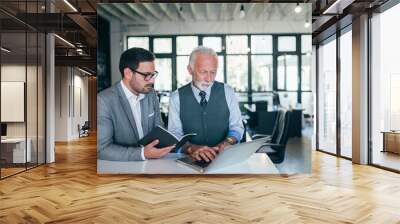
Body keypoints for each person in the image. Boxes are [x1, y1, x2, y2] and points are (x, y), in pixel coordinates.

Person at [168, 46, 244, 162]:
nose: (208, 79)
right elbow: (175, 135)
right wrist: (191, 148)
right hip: (189, 160)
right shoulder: (176, 97)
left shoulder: (228, 92)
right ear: (190, 69)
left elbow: (237, 127)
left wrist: (228, 142)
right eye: (203, 72)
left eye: (213, 72)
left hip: (223, 159)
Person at [98, 48, 175, 161]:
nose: (152, 81)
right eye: (147, 75)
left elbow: (159, 130)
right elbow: (102, 150)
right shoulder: (104, 101)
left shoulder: (151, 94)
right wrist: (143, 153)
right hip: (121, 170)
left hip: (153, 164)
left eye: (153, 74)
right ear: (128, 73)